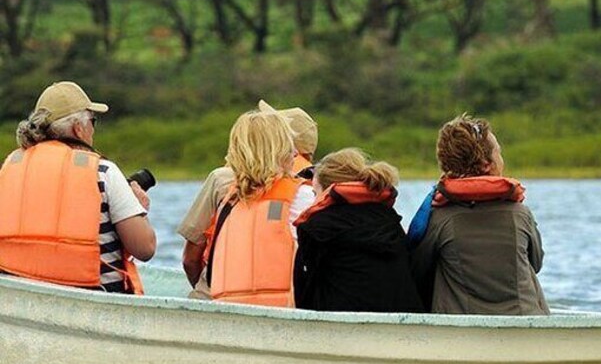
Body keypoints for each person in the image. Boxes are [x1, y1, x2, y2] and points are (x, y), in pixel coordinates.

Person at [0, 81, 156, 293]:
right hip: (95, 294)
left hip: (19, 294)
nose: (93, 129)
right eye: (93, 121)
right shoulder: (103, 172)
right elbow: (145, 249)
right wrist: (139, 209)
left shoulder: (9, 169)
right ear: (78, 128)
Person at [410, 114, 549, 315]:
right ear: (486, 164)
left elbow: (418, 271)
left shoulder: (438, 218)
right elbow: (536, 263)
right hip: (523, 321)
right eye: (498, 152)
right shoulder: (520, 215)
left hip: (461, 324)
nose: (501, 159)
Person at [178, 100, 316, 297]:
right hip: (279, 303)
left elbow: (190, 260)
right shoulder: (308, 193)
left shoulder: (225, 185)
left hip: (216, 297)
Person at [293, 148, 423, 312]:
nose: (314, 201)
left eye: (315, 193)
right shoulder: (390, 221)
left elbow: (304, 296)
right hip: (400, 322)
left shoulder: (316, 229)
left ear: (326, 191)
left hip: (340, 323)